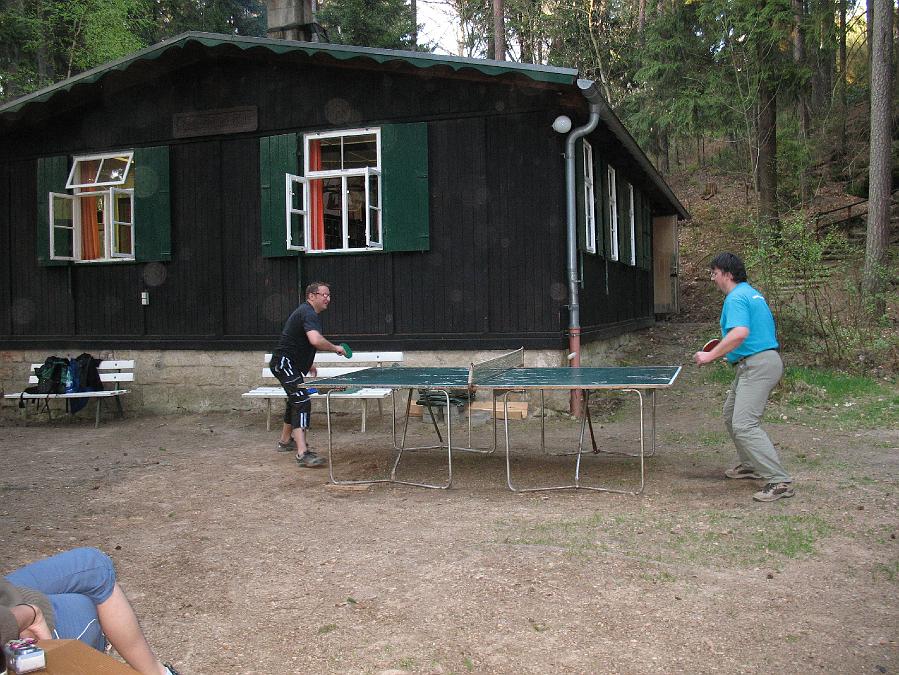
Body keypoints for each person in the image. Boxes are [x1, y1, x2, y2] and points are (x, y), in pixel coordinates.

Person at [693, 252, 794, 502]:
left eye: (715, 273)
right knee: (731, 415)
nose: (713, 278)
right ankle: (750, 464)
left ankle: (779, 481)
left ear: (727, 274)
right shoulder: (751, 293)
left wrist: (710, 356)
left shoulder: (736, 298)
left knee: (744, 424)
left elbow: (739, 333)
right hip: (756, 362)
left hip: (757, 365)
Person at [1, 547, 179, 675]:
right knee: (86, 606)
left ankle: (157, 673)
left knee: (96, 566)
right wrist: (29, 614)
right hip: (10, 626)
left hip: (5, 597)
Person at [270, 281, 346, 467]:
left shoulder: (307, 313)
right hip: (285, 363)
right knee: (302, 401)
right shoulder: (308, 312)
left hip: (289, 363)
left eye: (329, 295)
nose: (327, 298)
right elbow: (315, 340)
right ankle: (302, 453)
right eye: (324, 295)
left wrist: (308, 363)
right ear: (311, 296)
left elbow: (299, 340)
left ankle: (285, 441)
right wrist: (335, 348)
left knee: (294, 400)